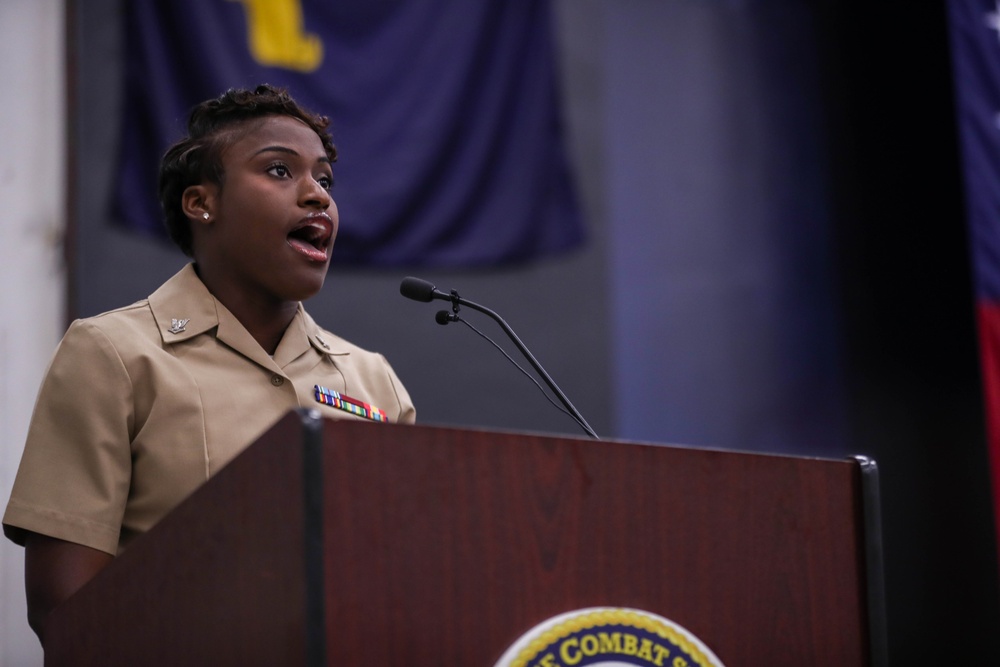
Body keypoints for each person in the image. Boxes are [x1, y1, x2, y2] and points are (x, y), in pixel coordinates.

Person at [2, 84, 416, 644]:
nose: (317, 195)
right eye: (278, 171)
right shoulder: (114, 353)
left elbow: (409, 586)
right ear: (202, 203)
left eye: (324, 179)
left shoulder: (373, 380)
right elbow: (64, 608)